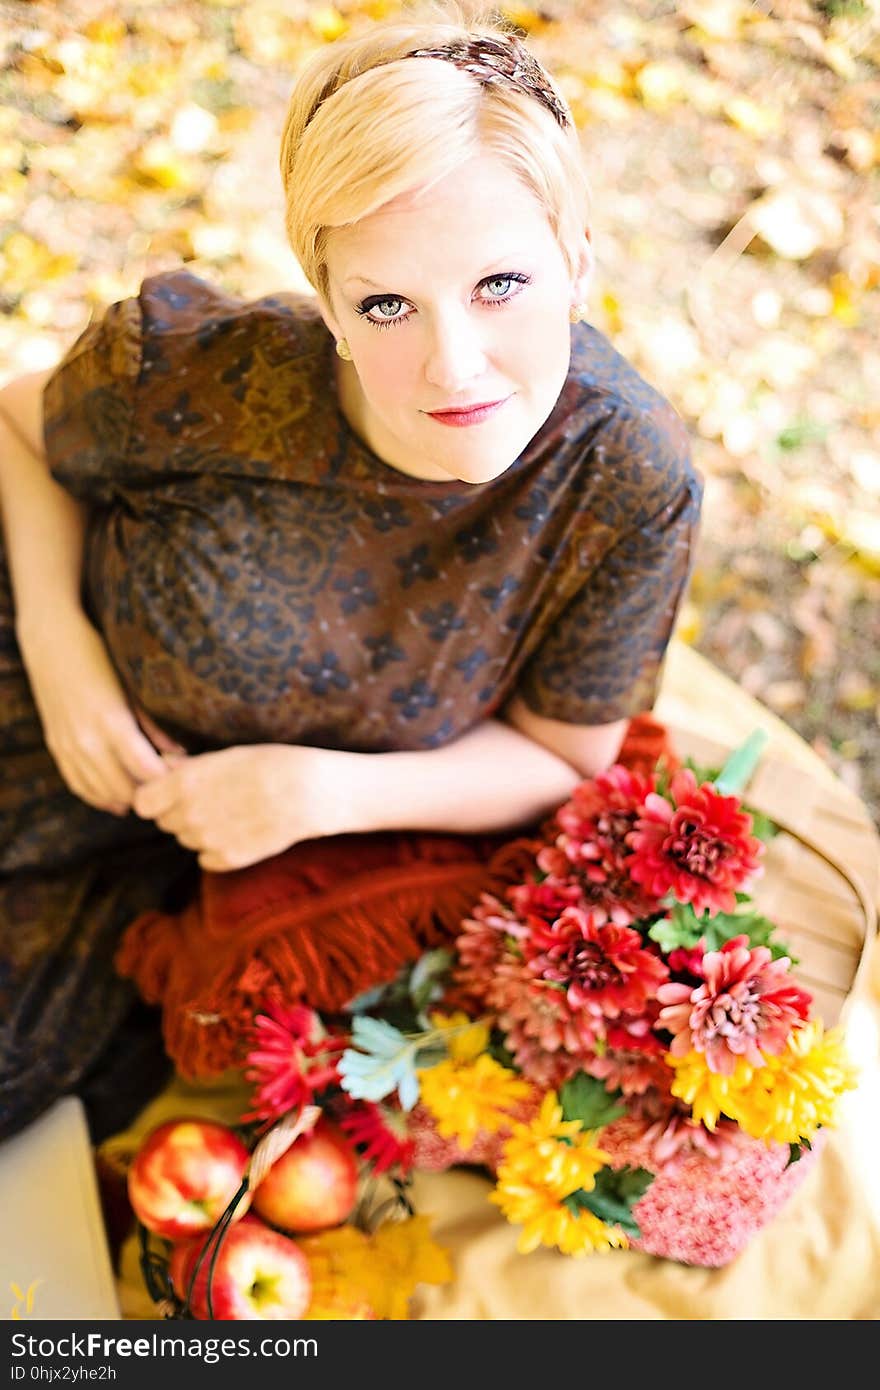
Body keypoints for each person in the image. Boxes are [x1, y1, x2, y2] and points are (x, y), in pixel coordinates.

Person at [0, 1, 702, 1143]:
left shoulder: (624, 473)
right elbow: (19, 421)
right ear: (325, 303)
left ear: (576, 258)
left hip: (196, 836)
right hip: (42, 686)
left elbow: (565, 752)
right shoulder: (198, 376)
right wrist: (55, 639)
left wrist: (324, 795)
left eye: (501, 285)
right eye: (387, 303)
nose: (453, 363)